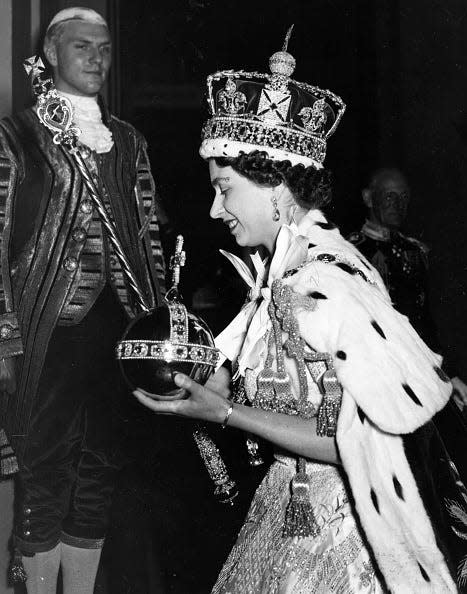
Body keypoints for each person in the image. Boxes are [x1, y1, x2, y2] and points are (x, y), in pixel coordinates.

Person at [134, 41, 467, 592]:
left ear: (275, 187)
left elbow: (351, 439)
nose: (216, 210)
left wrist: (223, 412)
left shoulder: (320, 280)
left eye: (225, 189)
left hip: (342, 533)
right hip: (286, 507)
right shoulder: (283, 271)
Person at [0, 7, 165, 593]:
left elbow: (148, 231)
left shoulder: (128, 140)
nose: (97, 58)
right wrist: (4, 333)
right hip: (47, 326)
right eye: (82, 47)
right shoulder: (14, 136)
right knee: (43, 470)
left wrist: (162, 318)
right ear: (51, 54)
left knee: (101, 467)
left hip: (120, 328)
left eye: (105, 48)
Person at [348, 167, 467, 405]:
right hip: (370, 376)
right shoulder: (349, 252)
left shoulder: (417, 253)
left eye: (404, 197)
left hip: (418, 371)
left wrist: (449, 374)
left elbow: (426, 322)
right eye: (390, 196)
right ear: (368, 198)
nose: (398, 204)